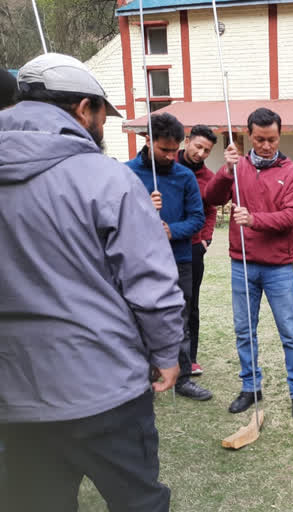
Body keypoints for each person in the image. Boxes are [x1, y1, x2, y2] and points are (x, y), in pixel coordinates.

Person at [0, 52, 183, 512]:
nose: (102, 126)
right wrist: (166, 354)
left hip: (15, 392)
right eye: (103, 114)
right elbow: (152, 285)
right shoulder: (107, 177)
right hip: (106, 388)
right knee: (138, 502)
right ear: (85, 109)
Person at [206, 107, 293, 419]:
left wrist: (254, 219)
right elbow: (212, 198)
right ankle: (251, 387)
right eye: (260, 139)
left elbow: (292, 215)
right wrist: (226, 170)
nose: (266, 146)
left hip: (278, 265)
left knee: (289, 330)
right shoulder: (236, 167)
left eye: (272, 139)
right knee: (244, 330)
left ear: (280, 136)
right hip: (242, 263)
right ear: (248, 136)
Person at [126, 113, 212, 402]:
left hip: (179, 258)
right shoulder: (126, 173)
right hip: (139, 260)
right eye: (163, 149)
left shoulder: (184, 176)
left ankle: (183, 377)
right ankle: (141, 377)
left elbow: (197, 218)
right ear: (148, 140)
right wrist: (143, 209)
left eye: (174, 150)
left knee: (180, 318)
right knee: (137, 316)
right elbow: (115, 218)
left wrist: (170, 230)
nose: (170, 156)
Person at [177, 124, 219, 376]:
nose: (201, 153)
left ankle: (189, 358)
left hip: (194, 248)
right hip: (163, 245)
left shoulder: (208, 178)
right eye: (198, 146)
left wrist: (206, 239)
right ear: (187, 140)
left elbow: (211, 209)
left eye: (206, 150)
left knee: (190, 304)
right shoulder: (167, 167)